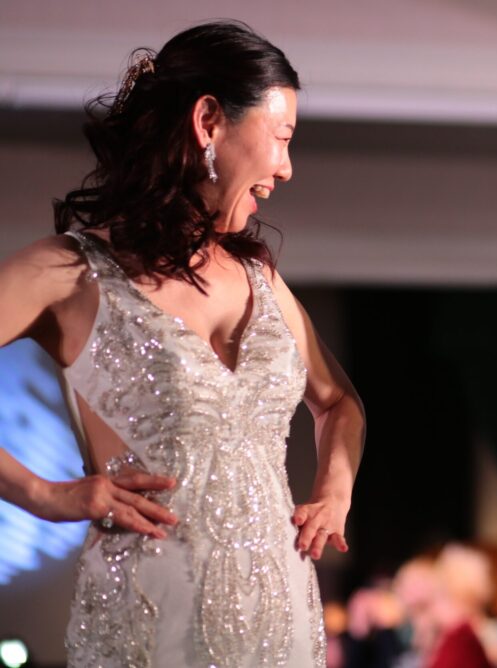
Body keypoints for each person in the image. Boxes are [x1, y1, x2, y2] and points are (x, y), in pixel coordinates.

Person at [0, 21, 365, 666]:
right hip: (148, 622)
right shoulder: (72, 270)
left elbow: (339, 403)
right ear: (208, 122)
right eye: (282, 137)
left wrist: (334, 492)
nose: (286, 167)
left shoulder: (260, 278)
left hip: (282, 621)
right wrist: (44, 494)